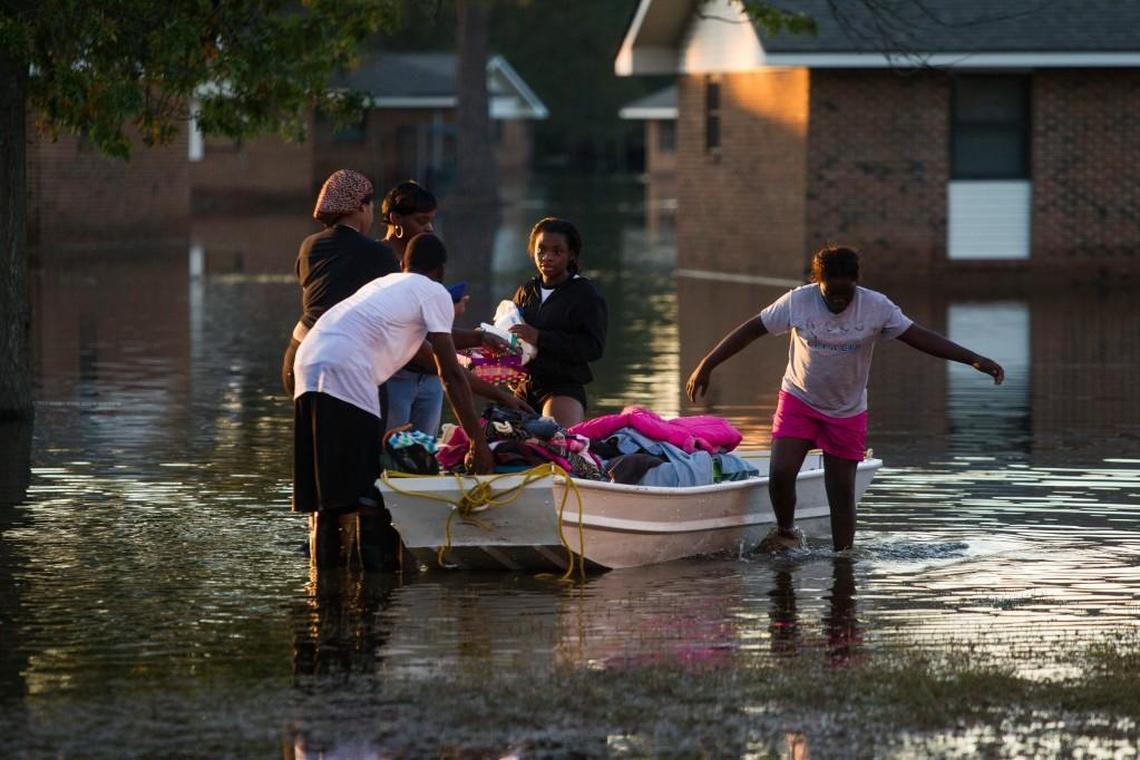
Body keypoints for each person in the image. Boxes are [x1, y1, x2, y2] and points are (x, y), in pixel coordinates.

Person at [685, 245, 1004, 552]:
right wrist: (707, 364)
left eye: (844, 294)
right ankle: (786, 534)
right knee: (781, 472)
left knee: (840, 492)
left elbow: (920, 337)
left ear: (856, 282)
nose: (838, 301)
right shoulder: (798, 301)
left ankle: (843, 557)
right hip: (799, 399)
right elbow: (750, 330)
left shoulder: (876, 307)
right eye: (830, 294)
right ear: (817, 282)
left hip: (846, 410)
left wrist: (973, 359)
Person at [293, 233, 496, 566]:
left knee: (326, 495)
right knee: (369, 494)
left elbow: (427, 336)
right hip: (349, 370)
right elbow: (450, 374)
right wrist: (478, 442)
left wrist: (477, 337)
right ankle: (380, 589)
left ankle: (324, 591)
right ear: (440, 271)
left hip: (308, 361)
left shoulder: (387, 285)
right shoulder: (434, 292)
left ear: (404, 264)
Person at [282, 169, 400, 395]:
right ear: (361, 207)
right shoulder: (378, 254)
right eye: (371, 207)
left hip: (299, 353)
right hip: (338, 360)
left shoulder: (309, 245)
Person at [509, 217, 608, 428]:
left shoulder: (585, 293)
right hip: (524, 387)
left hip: (562, 387)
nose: (547, 257)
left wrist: (540, 337)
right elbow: (513, 338)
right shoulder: (527, 291)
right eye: (541, 250)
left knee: (555, 443)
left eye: (557, 251)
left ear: (571, 254)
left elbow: (593, 348)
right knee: (499, 443)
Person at [378, 181, 445, 434]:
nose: (428, 228)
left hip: (429, 375)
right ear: (395, 219)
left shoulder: (425, 258)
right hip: (394, 375)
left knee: (422, 457)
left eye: (431, 220)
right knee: (389, 454)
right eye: (421, 220)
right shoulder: (376, 259)